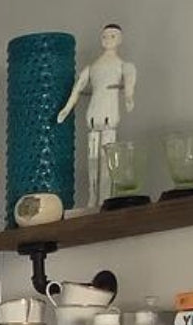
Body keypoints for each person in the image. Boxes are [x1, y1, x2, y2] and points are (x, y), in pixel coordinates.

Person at [57, 23, 138, 209]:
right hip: (94, 115)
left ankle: (105, 197)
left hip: (110, 116)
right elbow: (77, 89)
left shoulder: (123, 66)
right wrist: (66, 109)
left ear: (119, 39)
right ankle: (93, 198)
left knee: (107, 157)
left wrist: (128, 98)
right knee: (93, 159)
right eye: (105, 36)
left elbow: (129, 86)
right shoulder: (92, 68)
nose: (108, 39)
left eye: (113, 36)